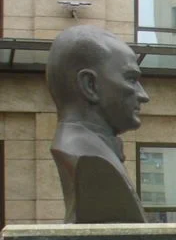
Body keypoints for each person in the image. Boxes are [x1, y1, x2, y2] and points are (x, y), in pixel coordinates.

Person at [46, 25, 147, 223]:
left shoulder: (94, 152)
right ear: (90, 85)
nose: (144, 95)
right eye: (131, 79)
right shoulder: (88, 158)